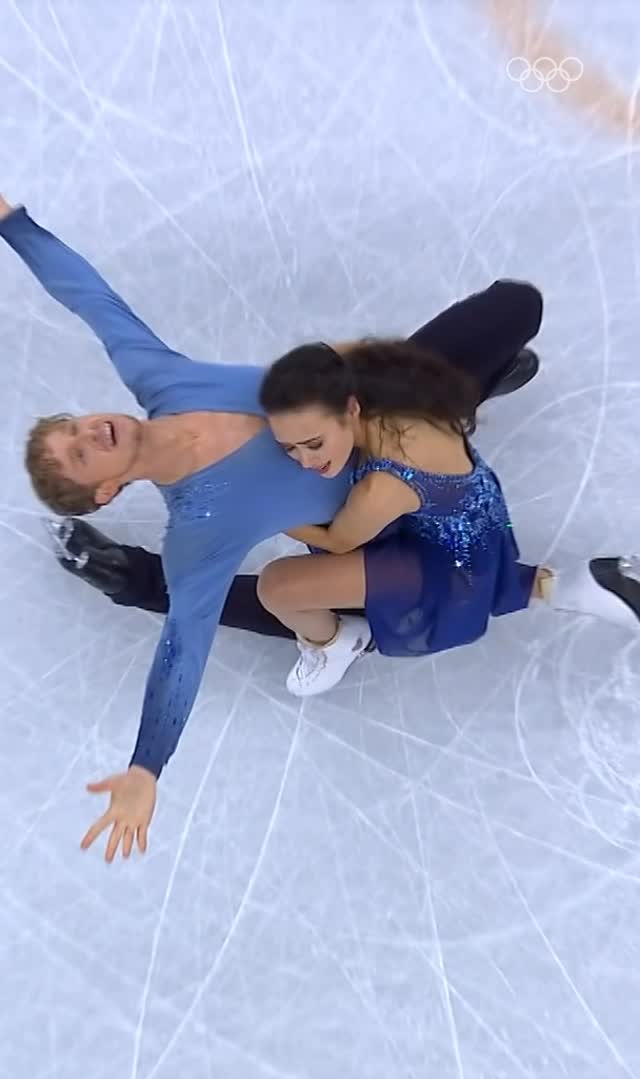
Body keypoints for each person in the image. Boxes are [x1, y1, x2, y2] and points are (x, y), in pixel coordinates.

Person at [0, 192, 543, 862]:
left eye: (74, 427)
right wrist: (146, 767)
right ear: (107, 490)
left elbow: (88, 296)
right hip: (384, 528)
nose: (89, 431)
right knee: (243, 588)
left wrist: (11, 224)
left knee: (516, 305)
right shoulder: (199, 525)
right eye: (81, 455)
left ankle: (470, 390)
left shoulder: (158, 378)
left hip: (371, 421)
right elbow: (182, 650)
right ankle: (169, 589)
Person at [254, 342, 640, 695]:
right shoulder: (383, 389)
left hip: (448, 566)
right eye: (289, 448)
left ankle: (338, 643)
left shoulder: (383, 488)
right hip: (476, 518)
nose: (305, 461)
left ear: (351, 408)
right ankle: (570, 587)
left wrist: (269, 515)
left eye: (314, 444)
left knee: (276, 587)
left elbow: (339, 541)